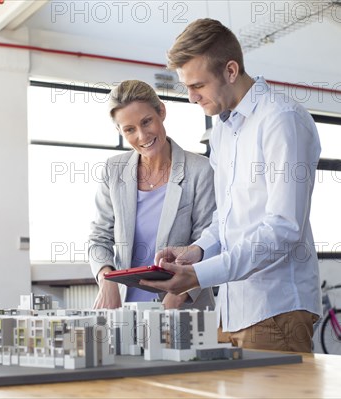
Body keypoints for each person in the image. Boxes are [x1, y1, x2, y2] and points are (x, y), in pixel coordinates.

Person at [142, 19, 322, 353]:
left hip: (276, 309)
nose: (192, 97)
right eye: (187, 86)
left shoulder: (281, 120)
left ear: (230, 70)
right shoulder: (223, 131)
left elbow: (284, 228)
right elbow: (226, 219)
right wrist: (195, 252)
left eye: (198, 85)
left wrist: (199, 275)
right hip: (232, 310)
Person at [88, 79, 216, 310]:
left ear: (161, 112)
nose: (142, 135)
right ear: (120, 131)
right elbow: (98, 238)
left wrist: (176, 298)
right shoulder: (113, 170)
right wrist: (106, 280)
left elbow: (209, 241)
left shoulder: (201, 170)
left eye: (147, 122)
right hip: (124, 310)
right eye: (129, 129)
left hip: (182, 307)